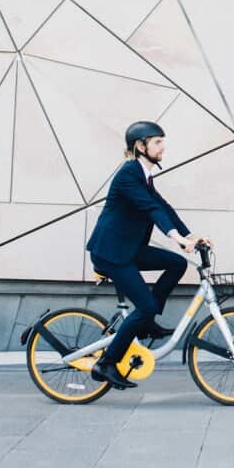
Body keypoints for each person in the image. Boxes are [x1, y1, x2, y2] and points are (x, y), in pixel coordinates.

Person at [85, 120, 212, 389]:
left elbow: (162, 206)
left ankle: (146, 322)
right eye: (157, 142)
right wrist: (176, 238)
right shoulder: (128, 173)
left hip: (129, 249)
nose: (162, 146)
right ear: (140, 146)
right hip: (112, 254)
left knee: (177, 264)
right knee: (145, 305)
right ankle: (106, 363)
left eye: (162, 141)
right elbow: (148, 208)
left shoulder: (144, 174)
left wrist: (189, 237)